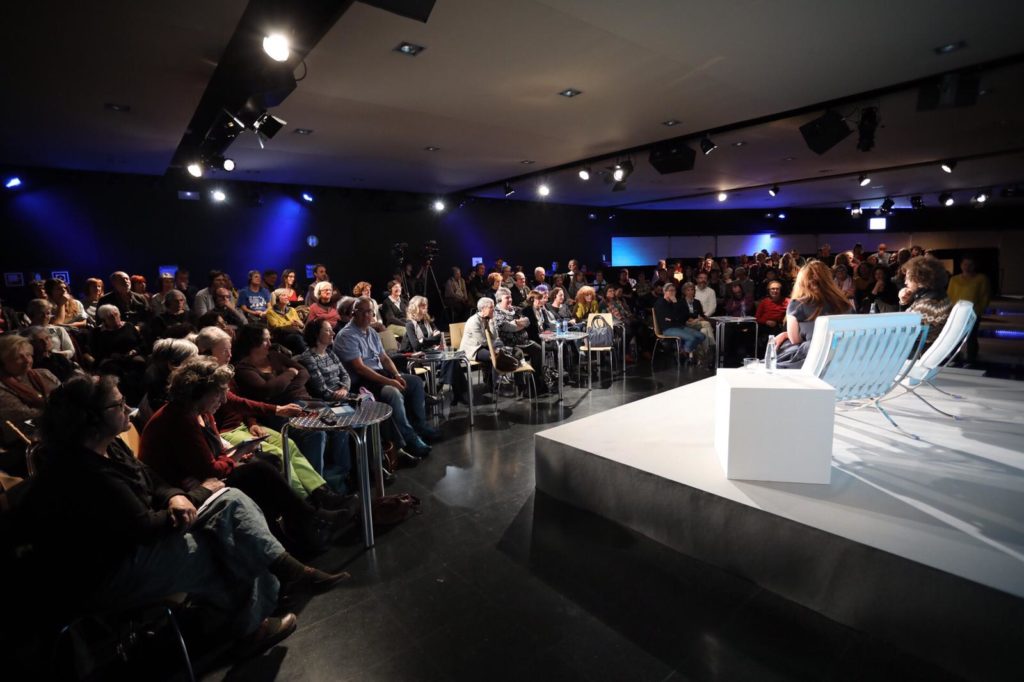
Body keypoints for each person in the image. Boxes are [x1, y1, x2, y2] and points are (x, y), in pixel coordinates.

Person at [23, 374, 342, 657]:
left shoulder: (107, 445)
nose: (128, 408)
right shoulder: (84, 472)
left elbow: (149, 477)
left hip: (144, 536)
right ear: (91, 419)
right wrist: (196, 495)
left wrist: (175, 495)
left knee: (230, 499)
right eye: (118, 404)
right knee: (226, 541)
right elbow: (143, 528)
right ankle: (255, 620)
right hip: (111, 571)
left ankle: (283, 576)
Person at [141, 356, 355, 550]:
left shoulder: (200, 411)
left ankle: (296, 528)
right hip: (181, 488)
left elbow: (215, 455)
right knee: (260, 470)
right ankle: (308, 521)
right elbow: (211, 469)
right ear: (199, 393)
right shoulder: (181, 419)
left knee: (268, 460)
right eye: (218, 395)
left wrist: (236, 455)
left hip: (199, 475)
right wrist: (235, 456)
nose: (223, 401)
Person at [195, 326, 349, 506]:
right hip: (227, 432)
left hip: (244, 425)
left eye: (230, 349)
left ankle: (321, 491)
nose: (229, 354)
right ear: (206, 353)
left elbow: (243, 403)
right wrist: (276, 408)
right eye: (224, 350)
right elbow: (238, 401)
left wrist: (252, 421)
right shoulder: (209, 378)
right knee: (278, 452)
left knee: (288, 444)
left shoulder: (227, 370)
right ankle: (305, 502)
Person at [335, 297, 434, 457]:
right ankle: (409, 438)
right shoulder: (346, 335)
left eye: (371, 312)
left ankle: (420, 426)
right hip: (362, 383)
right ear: (354, 313)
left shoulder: (372, 332)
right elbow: (360, 369)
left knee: (414, 382)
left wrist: (396, 375)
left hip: (380, 374)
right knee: (392, 392)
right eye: (365, 312)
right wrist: (391, 381)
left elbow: (385, 358)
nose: (369, 315)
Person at [773, 261, 854, 369]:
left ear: (801, 282)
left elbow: (795, 340)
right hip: (843, 357)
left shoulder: (797, 304)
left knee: (783, 348)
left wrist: (786, 334)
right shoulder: (846, 304)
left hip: (813, 359)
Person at [0, 334, 60, 450]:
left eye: (28, 355)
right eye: (18, 357)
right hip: (28, 445)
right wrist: (64, 408)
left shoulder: (44, 373)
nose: (27, 361)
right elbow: (26, 420)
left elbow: (69, 396)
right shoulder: (2, 389)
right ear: (2, 363)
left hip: (60, 433)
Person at [493, 288, 546, 393]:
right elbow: (506, 326)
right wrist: (518, 324)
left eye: (510, 297)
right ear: (499, 299)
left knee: (538, 349)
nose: (510, 299)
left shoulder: (516, 309)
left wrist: (516, 322)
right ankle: (521, 385)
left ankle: (536, 379)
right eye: (507, 297)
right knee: (518, 352)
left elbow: (527, 321)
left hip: (524, 341)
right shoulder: (496, 312)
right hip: (508, 343)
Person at [898, 256, 954, 348]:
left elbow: (902, 331)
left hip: (918, 351)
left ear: (921, 279)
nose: (905, 282)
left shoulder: (928, 305)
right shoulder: (937, 295)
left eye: (908, 278)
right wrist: (903, 302)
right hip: (925, 347)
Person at [947, 257, 990, 364]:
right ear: (961, 265)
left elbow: (985, 296)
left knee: (971, 337)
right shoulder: (954, 279)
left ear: (975, 266)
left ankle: (971, 359)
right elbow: (949, 296)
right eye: (965, 264)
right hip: (956, 312)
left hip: (973, 312)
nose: (967, 267)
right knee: (954, 336)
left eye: (970, 264)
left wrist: (979, 310)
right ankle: (954, 358)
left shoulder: (981, 278)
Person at [653, 283, 705, 358]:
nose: (672, 293)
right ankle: (685, 355)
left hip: (678, 326)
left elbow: (682, 315)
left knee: (701, 336)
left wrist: (675, 313)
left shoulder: (674, 302)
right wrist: (675, 315)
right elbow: (671, 317)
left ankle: (683, 351)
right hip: (668, 328)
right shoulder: (661, 303)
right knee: (692, 338)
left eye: (674, 291)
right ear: (665, 291)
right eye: (670, 291)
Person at [266, 288, 307, 355]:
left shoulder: (292, 310)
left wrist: (301, 325)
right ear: (277, 298)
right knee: (297, 337)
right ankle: (306, 355)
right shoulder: (270, 312)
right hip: (280, 336)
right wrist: (290, 323)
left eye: (287, 295)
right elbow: (276, 327)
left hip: (296, 332)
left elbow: (299, 324)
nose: (287, 297)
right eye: (284, 295)